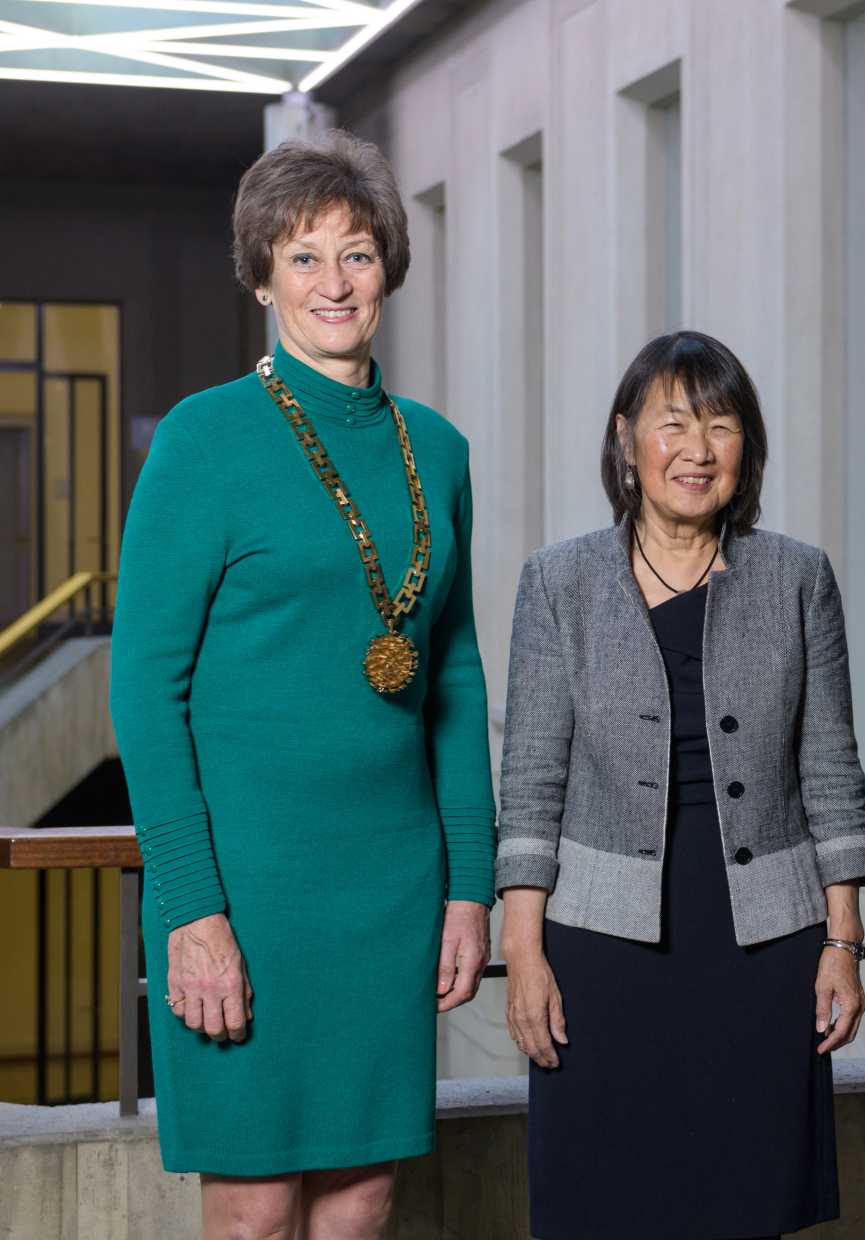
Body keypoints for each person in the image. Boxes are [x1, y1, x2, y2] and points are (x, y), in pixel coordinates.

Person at [109, 129, 495, 1238]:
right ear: (263, 274)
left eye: (358, 254)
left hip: (388, 887)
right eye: (305, 256)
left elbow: (456, 676)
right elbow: (143, 686)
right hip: (245, 888)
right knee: (253, 1209)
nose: (335, 282)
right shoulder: (204, 439)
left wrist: (468, 883)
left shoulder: (439, 449)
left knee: (363, 1201)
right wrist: (191, 909)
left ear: (390, 270)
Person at [495, 330, 865, 1240]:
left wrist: (844, 943)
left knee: (745, 1201)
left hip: (762, 942)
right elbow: (530, 780)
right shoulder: (560, 583)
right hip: (600, 944)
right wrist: (524, 953)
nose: (698, 449)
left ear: (746, 447)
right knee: (604, 1204)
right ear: (627, 439)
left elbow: (831, 769)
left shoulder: (796, 577)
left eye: (721, 424)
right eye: (673, 423)